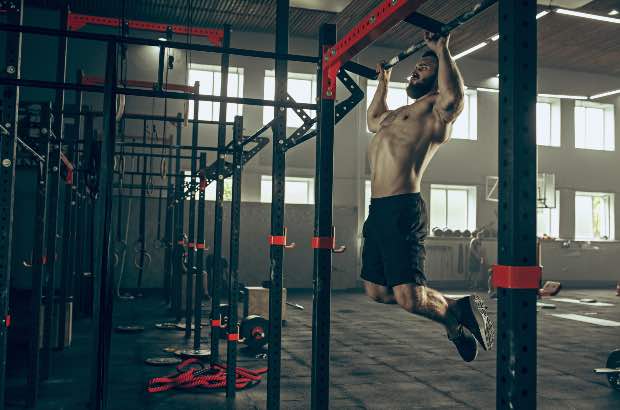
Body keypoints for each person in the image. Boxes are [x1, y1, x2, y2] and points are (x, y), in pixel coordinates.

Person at [362, 31, 495, 363]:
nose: (415, 72)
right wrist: (384, 81)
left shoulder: (435, 111)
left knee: (409, 298)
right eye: (416, 67)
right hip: (378, 210)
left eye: (423, 68)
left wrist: (443, 50)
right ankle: (457, 306)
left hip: (402, 209)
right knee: (377, 291)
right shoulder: (397, 115)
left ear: (438, 78)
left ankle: (455, 326)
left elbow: (455, 100)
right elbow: (372, 120)